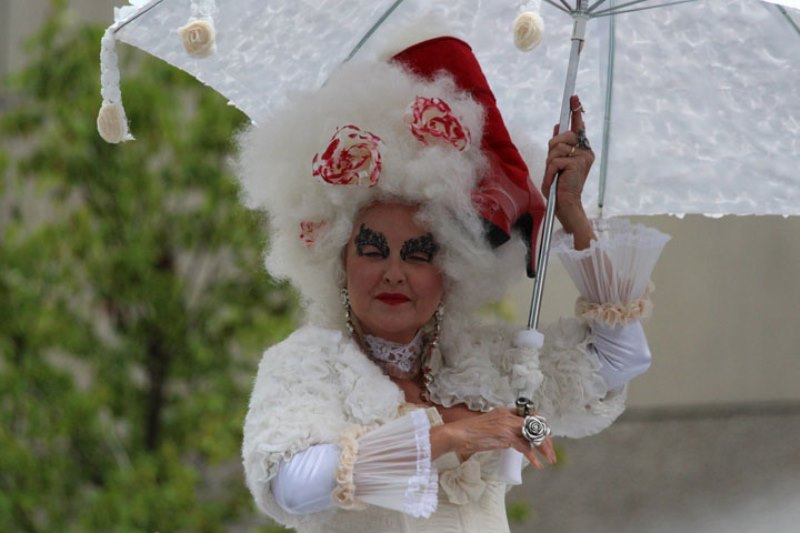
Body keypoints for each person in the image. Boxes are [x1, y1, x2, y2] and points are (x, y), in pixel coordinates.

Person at [238, 34, 669, 533]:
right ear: (338, 261)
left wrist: (570, 214)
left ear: (453, 269)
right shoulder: (309, 364)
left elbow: (619, 360)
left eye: (420, 254)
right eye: (374, 250)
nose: (394, 272)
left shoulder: (486, 363)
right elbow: (290, 485)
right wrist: (450, 436)